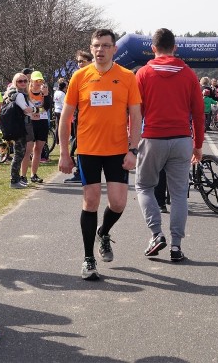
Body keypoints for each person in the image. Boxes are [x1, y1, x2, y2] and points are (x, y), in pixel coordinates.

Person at [57, 29, 142, 280]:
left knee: (118, 203)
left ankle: (103, 232)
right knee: (91, 201)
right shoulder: (80, 76)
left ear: (114, 49)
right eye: (96, 45)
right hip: (88, 150)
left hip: (117, 151)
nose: (100, 49)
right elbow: (66, 117)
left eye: (106, 45)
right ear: (91, 48)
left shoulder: (127, 77)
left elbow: (136, 115)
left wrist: (133, 149)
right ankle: (88, 258)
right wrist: (64, 152)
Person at [135, 28, 204, 262]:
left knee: (144, 186)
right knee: (178, 195)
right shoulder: (188, 74)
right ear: (175, 47)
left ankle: (156, 234)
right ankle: (176, 246)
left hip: (152, 138)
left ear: (153, 48)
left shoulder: (143, 74)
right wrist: (198, 144)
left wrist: (131, 142)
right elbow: (198, 113)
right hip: (182, 139)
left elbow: (135, 112)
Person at [64, 50, 93, 184]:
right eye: (78, 61)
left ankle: (82, 173)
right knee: (76, 145)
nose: (80, 64)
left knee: (80, 146)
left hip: (91, 120)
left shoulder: (94, 76)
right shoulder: (77, 77)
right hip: (79, 118)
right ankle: (79, 173)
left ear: (90, 62)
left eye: (82, 61)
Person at [7, 72, 34, 188]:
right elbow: (27, 109)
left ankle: (17, 178)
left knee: (20, 153)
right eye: (20, 81)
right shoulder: (18, 95)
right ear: (15, 82)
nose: (23, 83)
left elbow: (30, 109)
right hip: (20, 127)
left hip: (19, 126)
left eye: (25, 81)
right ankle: (14, 180)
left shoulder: (20, 94)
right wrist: (33, 109)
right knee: (19, 154)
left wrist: (32, 109)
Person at [24, 71, 52, 183]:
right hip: (30, 122)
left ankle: (33, 174)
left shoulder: (44, 92)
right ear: (31, 81)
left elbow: (47, 107)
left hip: (42, 122)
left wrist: (46, 95)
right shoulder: (26, 92)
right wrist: (34, 112)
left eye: (40, 81)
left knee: (38, 149)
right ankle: (22, 176)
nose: (38, 83)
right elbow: (25, 108)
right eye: (36, 81)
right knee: (27, 150)